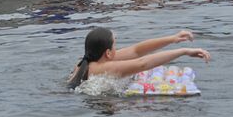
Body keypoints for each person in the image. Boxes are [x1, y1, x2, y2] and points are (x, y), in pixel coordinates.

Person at [68, 27, 211, 89]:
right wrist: (183, 51)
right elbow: (142, 64)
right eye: (115, 45)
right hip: (99, 104)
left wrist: (173, 38)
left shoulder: (85, 62)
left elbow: (136, 51)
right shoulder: (102, 68)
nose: (116, 49)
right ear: (108, 53)